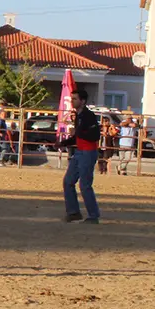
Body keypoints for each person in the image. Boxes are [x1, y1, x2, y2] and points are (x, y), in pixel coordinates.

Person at [61, 89, 101, 223]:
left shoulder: (89, 116)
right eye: (72, 99)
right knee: (68, 181)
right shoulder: (79, 116)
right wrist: (64, 143)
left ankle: (93, 216)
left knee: (85, 185)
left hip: (88, 153)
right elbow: (78, 136)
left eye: (74, 99)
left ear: (82, 101)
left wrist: (77, 133)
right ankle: (74, 212)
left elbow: (95, 136)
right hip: (80, 152)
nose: (72, 101)